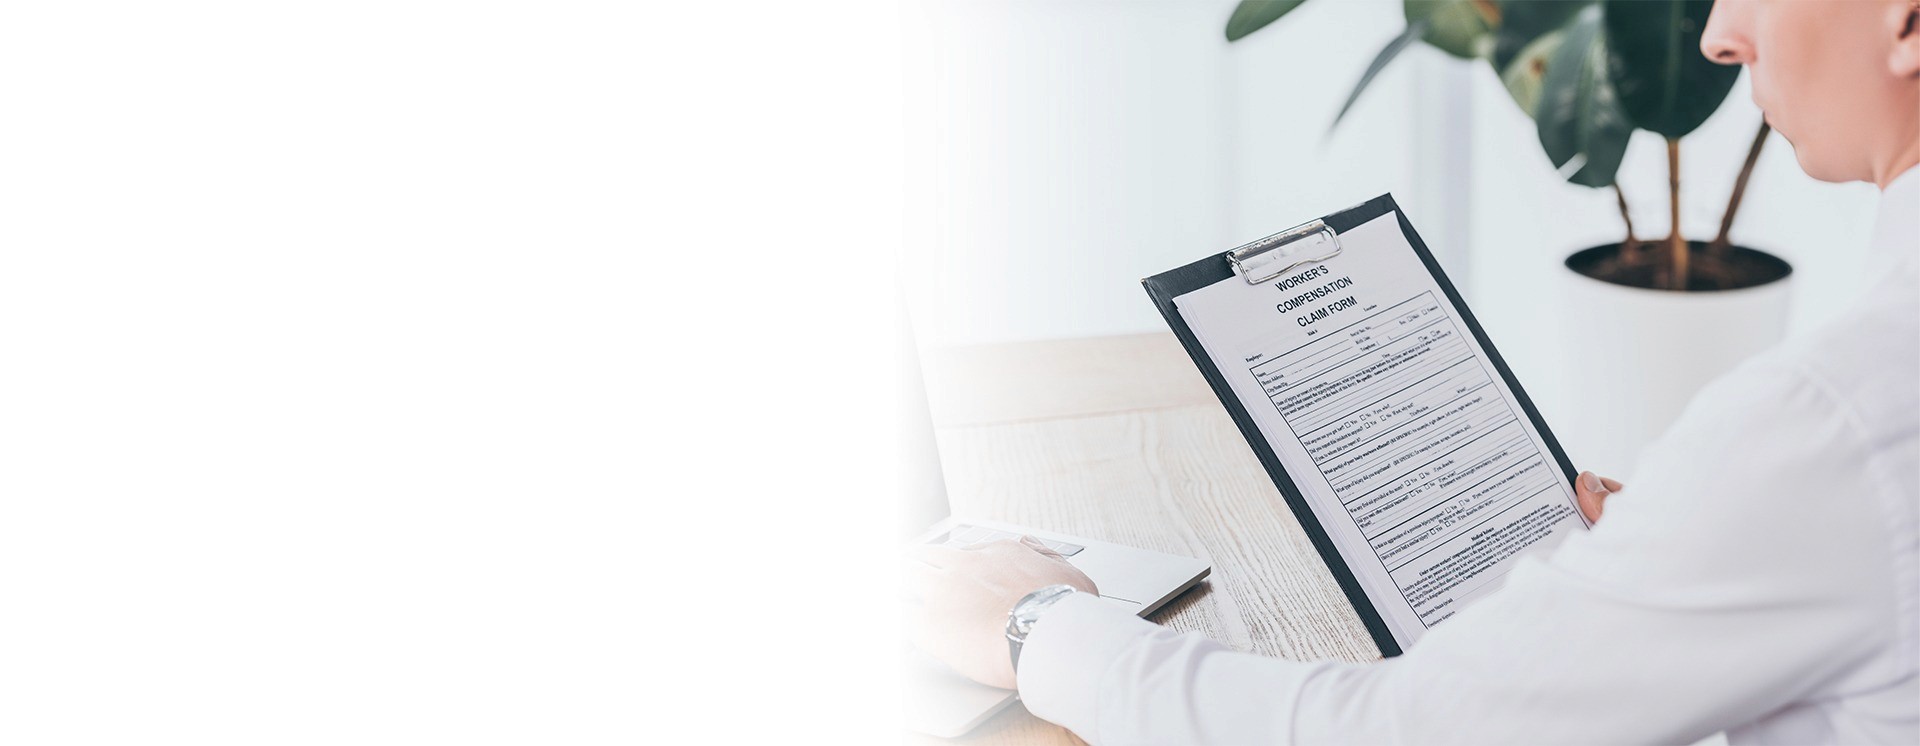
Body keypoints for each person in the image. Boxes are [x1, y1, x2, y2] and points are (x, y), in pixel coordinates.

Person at [905, 0, 1920, 742]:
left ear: (1907, 21)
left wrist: (1037, 622)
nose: (1717, 36)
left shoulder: (1830, 419)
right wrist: (1693, 552)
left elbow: (1401, 733)